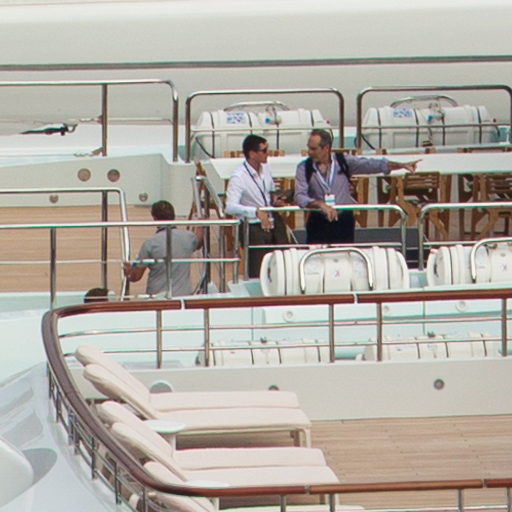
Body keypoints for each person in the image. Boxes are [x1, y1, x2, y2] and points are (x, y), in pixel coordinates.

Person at [294, 129, 420, 244]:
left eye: (314, 149)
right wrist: (320, 205)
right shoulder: (304, 168)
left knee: (346, 256)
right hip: (318, 220)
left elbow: (371, 164)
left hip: (343, 220)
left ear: (326, 148)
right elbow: (299, 196)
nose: (309, 152)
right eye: (309, 148)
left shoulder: (343, 161)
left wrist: (401, 165)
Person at [225, 134, 290, 278]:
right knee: (258, 265)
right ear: (252, 154)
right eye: (264, 151)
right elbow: (230, 206)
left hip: (271, 219)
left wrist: (276, 200)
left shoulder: (266, 168)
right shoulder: (239, 176)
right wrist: (255, 211)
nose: (267, 154)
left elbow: (270, 191)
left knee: (285, 256)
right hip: (252, 224)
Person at [123, 200, 203, 297]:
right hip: (183, 296)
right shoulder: (188, 237)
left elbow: (135, 276)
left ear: (155, 218)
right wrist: (201, 225)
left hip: (157, 297)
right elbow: (198, 242)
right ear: (173, 216)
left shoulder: (150, 244)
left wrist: (128, 271)